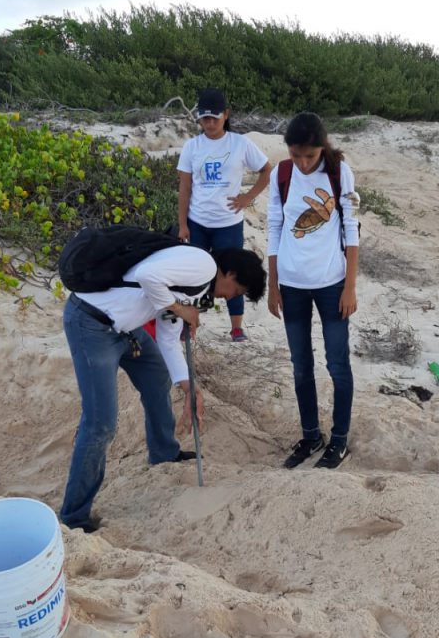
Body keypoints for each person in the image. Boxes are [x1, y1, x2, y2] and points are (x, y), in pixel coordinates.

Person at [60, 244, 266, 531]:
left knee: (158, 376)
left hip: (127, 330)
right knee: (100, 424)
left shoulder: (196, 290)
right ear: (229, 273)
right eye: (237, 290)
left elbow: (168, 340)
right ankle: (73, 517)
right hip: (92, 325)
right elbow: (147, 275)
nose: (230, 297)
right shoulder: (203, 265)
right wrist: (181, 308)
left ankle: (164, 453)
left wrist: (189, 388)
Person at [266, 112, 360, 470]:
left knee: (337, 364)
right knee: (300, 365)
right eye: (296, 155)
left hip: (331, 284)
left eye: (310, 155)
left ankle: (338, 440)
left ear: (322, 147)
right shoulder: (282, 174)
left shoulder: (339, 173)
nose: (303, 164)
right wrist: (273, 285)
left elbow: (351, 230)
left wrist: (349, 287)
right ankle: (310, 435)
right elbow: (275, 227)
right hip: (292, 285)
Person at [178, 88, 273, 342]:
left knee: (235, 273)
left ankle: (236, 327)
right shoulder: (192, 146)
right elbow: (184, 187)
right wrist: (182, 224)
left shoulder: (240, 143)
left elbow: (266, 170)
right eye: (204, 118)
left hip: (228, 223)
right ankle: (188, 323)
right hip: (198, 221)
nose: (209, 123)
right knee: (193, 275)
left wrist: (246, 198)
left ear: (226, 115)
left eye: (214, 118)